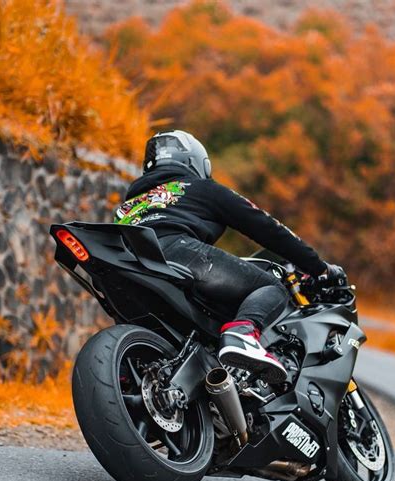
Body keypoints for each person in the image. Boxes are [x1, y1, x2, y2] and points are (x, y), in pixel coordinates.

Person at [114, 130, 346, 384]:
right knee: (270, 287)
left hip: (129, 265)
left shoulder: (129, 206)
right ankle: (243, 334)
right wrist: (318, 268)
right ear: (196, 162)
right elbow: (268, 228)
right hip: (178, 253)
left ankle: (127, 375)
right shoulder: (202, 188)